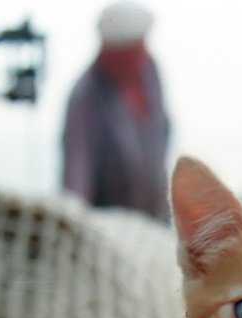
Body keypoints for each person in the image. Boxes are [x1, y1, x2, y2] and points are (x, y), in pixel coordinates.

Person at [62, 1, 170, 220]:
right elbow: (77, 174)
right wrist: (74, 220)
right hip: (109, 224)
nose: (137, 58)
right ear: (109, 52)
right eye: (128, 53)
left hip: (155, 215)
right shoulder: (84, 96)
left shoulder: (150, 71)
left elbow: (162, 133)